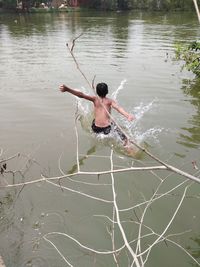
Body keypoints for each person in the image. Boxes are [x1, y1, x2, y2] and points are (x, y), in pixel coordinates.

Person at [59, 83, 135, 146]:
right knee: (124, 137)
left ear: (97, 92)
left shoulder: (95, 99)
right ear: (107, 91)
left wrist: (67, 89)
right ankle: (128, 148)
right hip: (107, 129)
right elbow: (118, 108)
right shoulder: (110, 101)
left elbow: (81, 95)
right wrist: (127, 115)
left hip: (95, 128)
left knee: (95, 120)